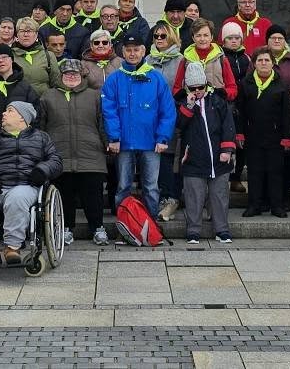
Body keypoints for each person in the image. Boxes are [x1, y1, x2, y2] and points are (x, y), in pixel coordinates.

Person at [0, 99, 62, 263]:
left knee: (16, 199)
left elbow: (56, 160)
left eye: (10, 111)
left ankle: (12, 247)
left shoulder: (41, 138)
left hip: (25, 184)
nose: (4, 114)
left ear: (22, 118)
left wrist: (41, 170)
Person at [102, 31, 176, 217]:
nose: (132, 54)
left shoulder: (156, 78)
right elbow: (109, 111)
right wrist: (114, 137)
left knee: (151, 187)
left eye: (136, 50)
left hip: (151, 142)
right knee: (123, 186)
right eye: (128, 50)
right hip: (124, 143)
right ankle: (124, 226)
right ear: (123, 52)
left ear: (143, 51)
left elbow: (167, 111)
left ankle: (150, 227)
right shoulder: (114, 79)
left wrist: (163, 137)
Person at [41, 59, 109, 245]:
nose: (71, 76)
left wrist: (108, 143)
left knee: (93, 196)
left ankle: (98, 228)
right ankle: (65, 228)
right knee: (64, 196)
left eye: (75, 74)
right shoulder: (48, 96)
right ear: (61, 76)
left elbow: (103, 123)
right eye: (67, 74)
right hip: (59, 155)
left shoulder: (94, 96)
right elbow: (41, 127)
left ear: (82, 76)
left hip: (91, 155)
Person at [174, 64, 237, 244]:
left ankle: (222, 230)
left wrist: (226, 149)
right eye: (193, 88)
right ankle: (193, 231)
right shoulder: (181, 102)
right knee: (194, 197)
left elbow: (228, 126)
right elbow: (179, 125)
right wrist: (189, 105)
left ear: (206, 85)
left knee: (219, 196)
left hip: (218, 158)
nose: (197, 91)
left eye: (200, 87)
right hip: (193, 158)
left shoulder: (217, 100)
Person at [235, 48, 290, 218]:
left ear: (273, 63)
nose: (263, 63)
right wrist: (239, 133)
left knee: (275, 172)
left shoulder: (282, 85)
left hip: (275, 138)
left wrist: (287, 138)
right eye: (260, 60)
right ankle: (254, 205)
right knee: (254, 172)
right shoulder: (246, 84)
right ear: (254, 64)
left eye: (267, 60)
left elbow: (288, 114)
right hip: (253, 136)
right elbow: (240, 111)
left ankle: (276, 206)